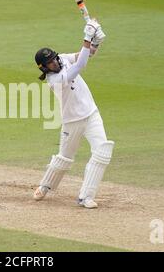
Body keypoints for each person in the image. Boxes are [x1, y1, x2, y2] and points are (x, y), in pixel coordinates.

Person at [33, 19, 115, 209]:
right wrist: (87, 37)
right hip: (72, 122)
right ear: (44, 68)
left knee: (102, 152)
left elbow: (85, 55)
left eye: (53, 58)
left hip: (91, 114)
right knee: (64, 158)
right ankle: (46, 186)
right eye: (49, 63)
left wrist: (95, 42)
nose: (54, 62)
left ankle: (86, 196)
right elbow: (80, 65)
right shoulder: (54, 80)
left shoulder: (62, 58)